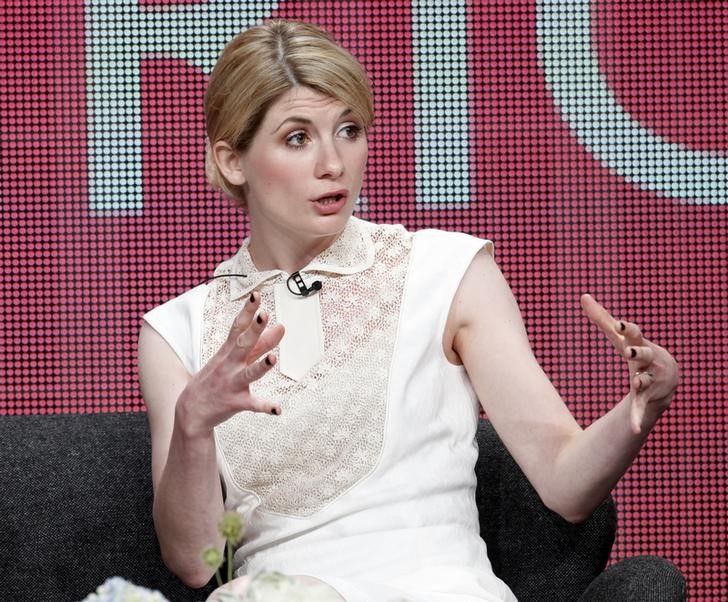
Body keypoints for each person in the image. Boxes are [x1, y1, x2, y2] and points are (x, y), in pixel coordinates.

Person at [138, 19, 679, 602]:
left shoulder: (446, 272)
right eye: (298, 138)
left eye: (348, 130)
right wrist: (193, 423)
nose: (334, 163)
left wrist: (637, 411)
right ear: (232, 161)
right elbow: (197, 563)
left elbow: (565, 484)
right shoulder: (179, 331)